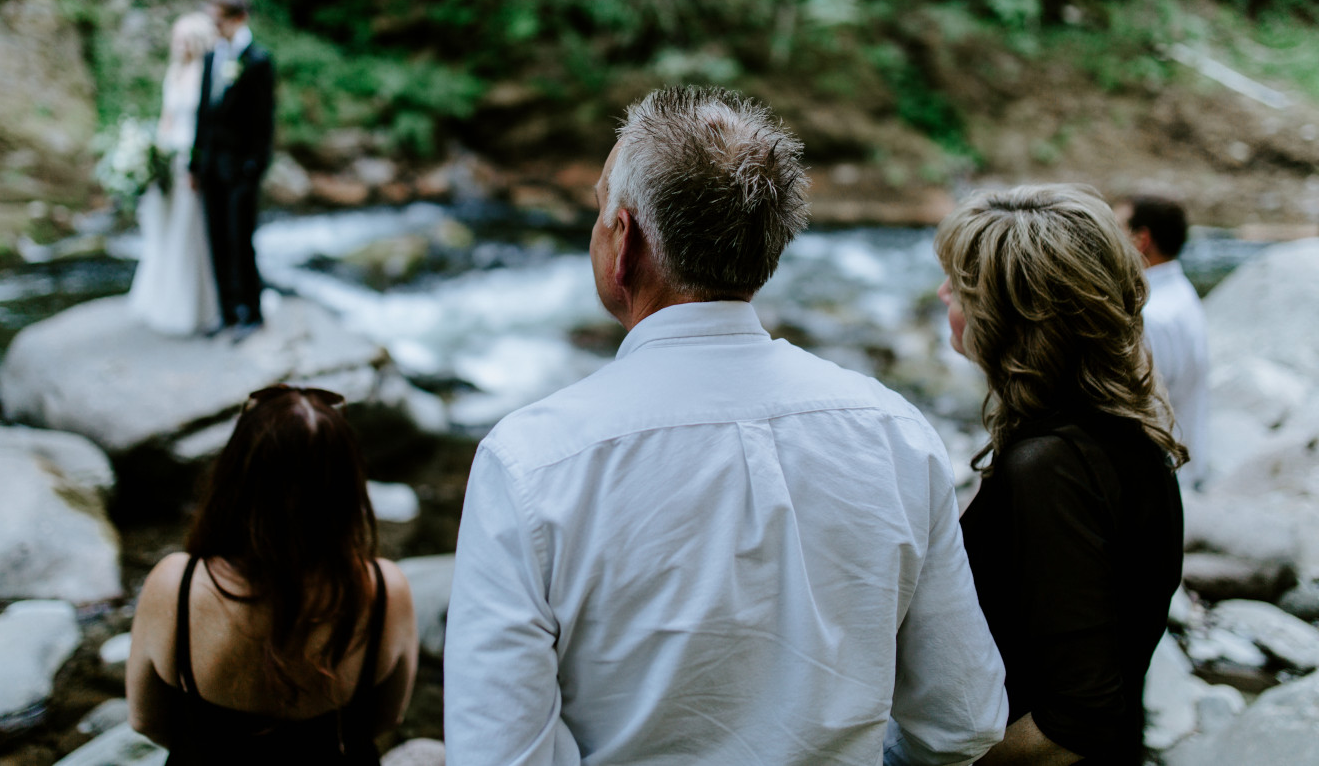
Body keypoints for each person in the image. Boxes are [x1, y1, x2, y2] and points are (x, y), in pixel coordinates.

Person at [444, 86, 1007, 766]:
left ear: (624, 243)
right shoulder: (897, 433)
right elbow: (963, 721)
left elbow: (499, 754)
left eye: (600, 210)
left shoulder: (529, 461)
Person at [934, 185, 1186, 766]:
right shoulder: (1120, 432)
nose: (945, 292)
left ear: (1007, 315)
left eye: (961, 285)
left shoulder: (1051, 468)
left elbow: (1078, 720)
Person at [126, 384, 418, 763]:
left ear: (236, 476)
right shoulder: (383, 589)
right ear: (346, 487)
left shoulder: (177, 584)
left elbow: (146, 720)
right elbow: (385, 718)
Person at [128, 12, 221, 336]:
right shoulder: (175, 71)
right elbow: (166, 119)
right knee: (163, 228)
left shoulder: (207, 73)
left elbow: (206, 124)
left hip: (191, 161)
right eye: (176, 39)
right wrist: (150, 155)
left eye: (185, 39)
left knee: (188, 231)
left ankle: (198, 306)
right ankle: (162, 298)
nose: (179, 46)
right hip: (168, 160)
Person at [190, 0, 275, 341]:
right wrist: (195, 164)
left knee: (242, 241)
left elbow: (264, 120)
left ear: (240, 18)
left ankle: (251, 313)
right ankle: (225, 313)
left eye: (219, 19)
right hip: (211, 167)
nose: (214, 26)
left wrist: (254, 167)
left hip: (241, 169)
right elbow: (202, 114)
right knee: (217, 241)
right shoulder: (212, 56)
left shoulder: (258, 60)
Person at [1116, 195, 1210, 490]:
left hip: (1154, 481)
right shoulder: (1182, 294)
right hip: (1181, 470)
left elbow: (1138, 410)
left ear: (1141, 239)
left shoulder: (1150, 316)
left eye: (1115, 228)